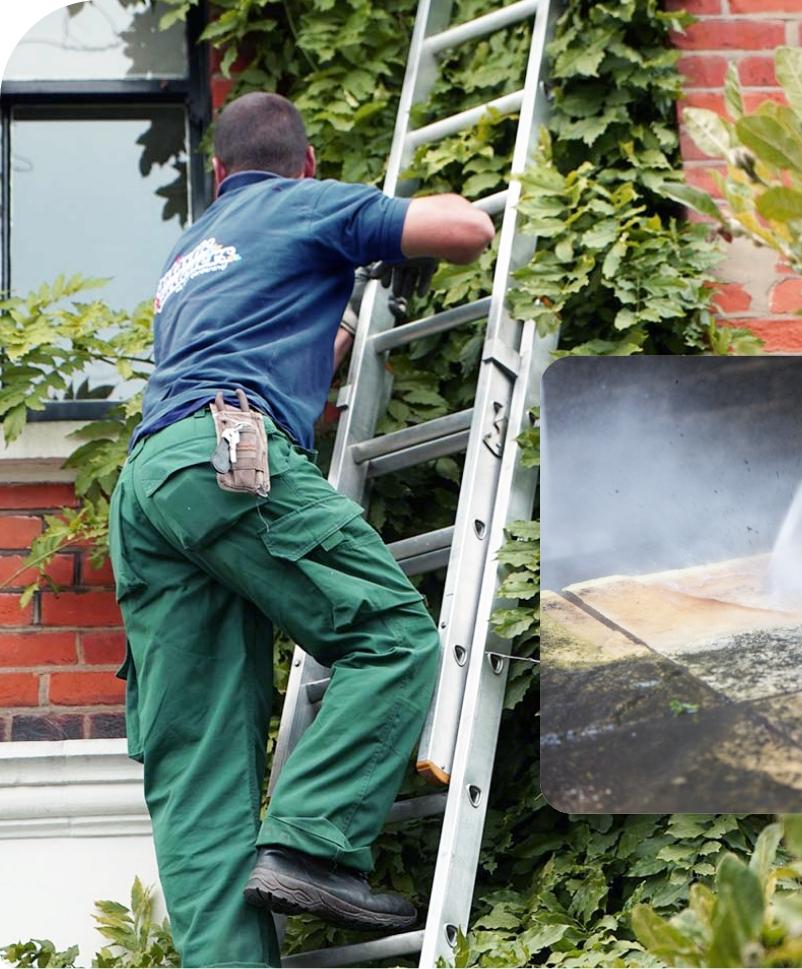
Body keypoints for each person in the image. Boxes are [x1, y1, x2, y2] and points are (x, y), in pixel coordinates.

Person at [108, 92, 495, 968]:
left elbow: (286, 349)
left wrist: (344, 321)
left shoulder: (190, 256)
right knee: (392, 633)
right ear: (308, 163)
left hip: (149, 487)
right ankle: (312, 844)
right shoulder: (303, 205)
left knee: (199, 766)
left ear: (217, 175)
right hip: (224, 454)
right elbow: (465, 229)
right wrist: (391, 237)